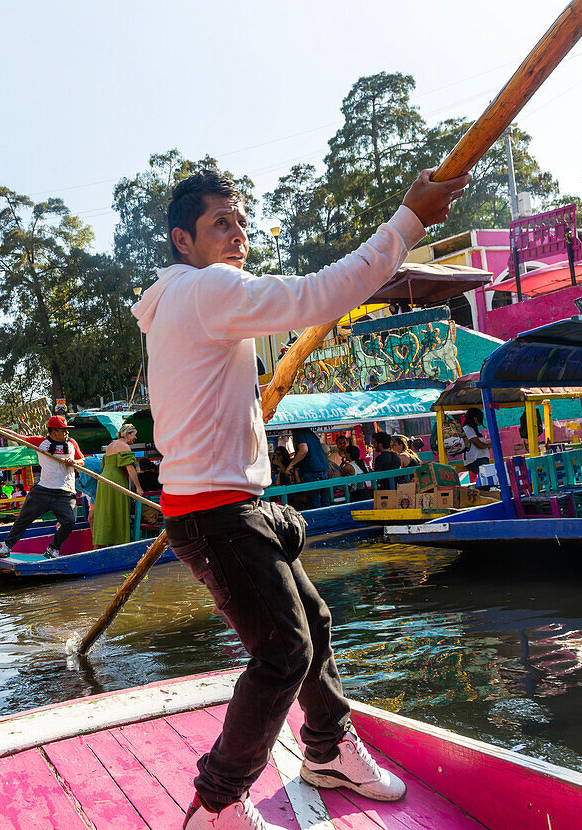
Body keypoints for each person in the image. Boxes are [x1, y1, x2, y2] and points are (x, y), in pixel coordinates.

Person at [133, 165, 465, 828]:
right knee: (284, 653)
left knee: (313, 623)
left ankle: (328, 749)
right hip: (216, 513)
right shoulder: (208, 290)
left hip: (231, 506)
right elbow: (322, 293)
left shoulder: (179, 300)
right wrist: (410, 219)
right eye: (219, 224)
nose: (237, 234)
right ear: (182, 240)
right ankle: (217, 804)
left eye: (241, 222)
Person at [0, 415, 86, 559]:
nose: (66, 432)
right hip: (43, 491)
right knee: (23, 519)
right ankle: (6, 546)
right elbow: (15, 436)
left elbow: (82, 460)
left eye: (67, 429)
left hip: (65, 492)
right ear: (53, 431)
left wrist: (74, 462)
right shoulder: (41, 443)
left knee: (70, 522)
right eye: (63, 430)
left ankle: (53, 548)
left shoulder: (72, 443)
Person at [93, 423, 144, 547]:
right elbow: (130, 469)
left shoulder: (111, 446)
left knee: (105, 512)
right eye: (134, 435)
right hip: (116, 481)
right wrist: (138, 487)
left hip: (104, 480)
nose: (135, 438)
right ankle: (120, 542)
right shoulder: (124, 446)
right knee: (118, 511)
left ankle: (103, 542)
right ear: (128, 434)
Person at [285, 427, 330, 509]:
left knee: (315, 503)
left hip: (312, 471)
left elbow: (304, 449)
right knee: (324, 500)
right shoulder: (309, 433)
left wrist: (291, 465)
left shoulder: (298, 431)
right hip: (322, 468)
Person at [463, 408, 493, 481]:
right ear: (475, 418)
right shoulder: (467, 428)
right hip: (475, 460)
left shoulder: (473, 429)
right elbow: (478, 444)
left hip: (481, 459)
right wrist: (489, 445)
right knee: (488, 479)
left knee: (488, 479)